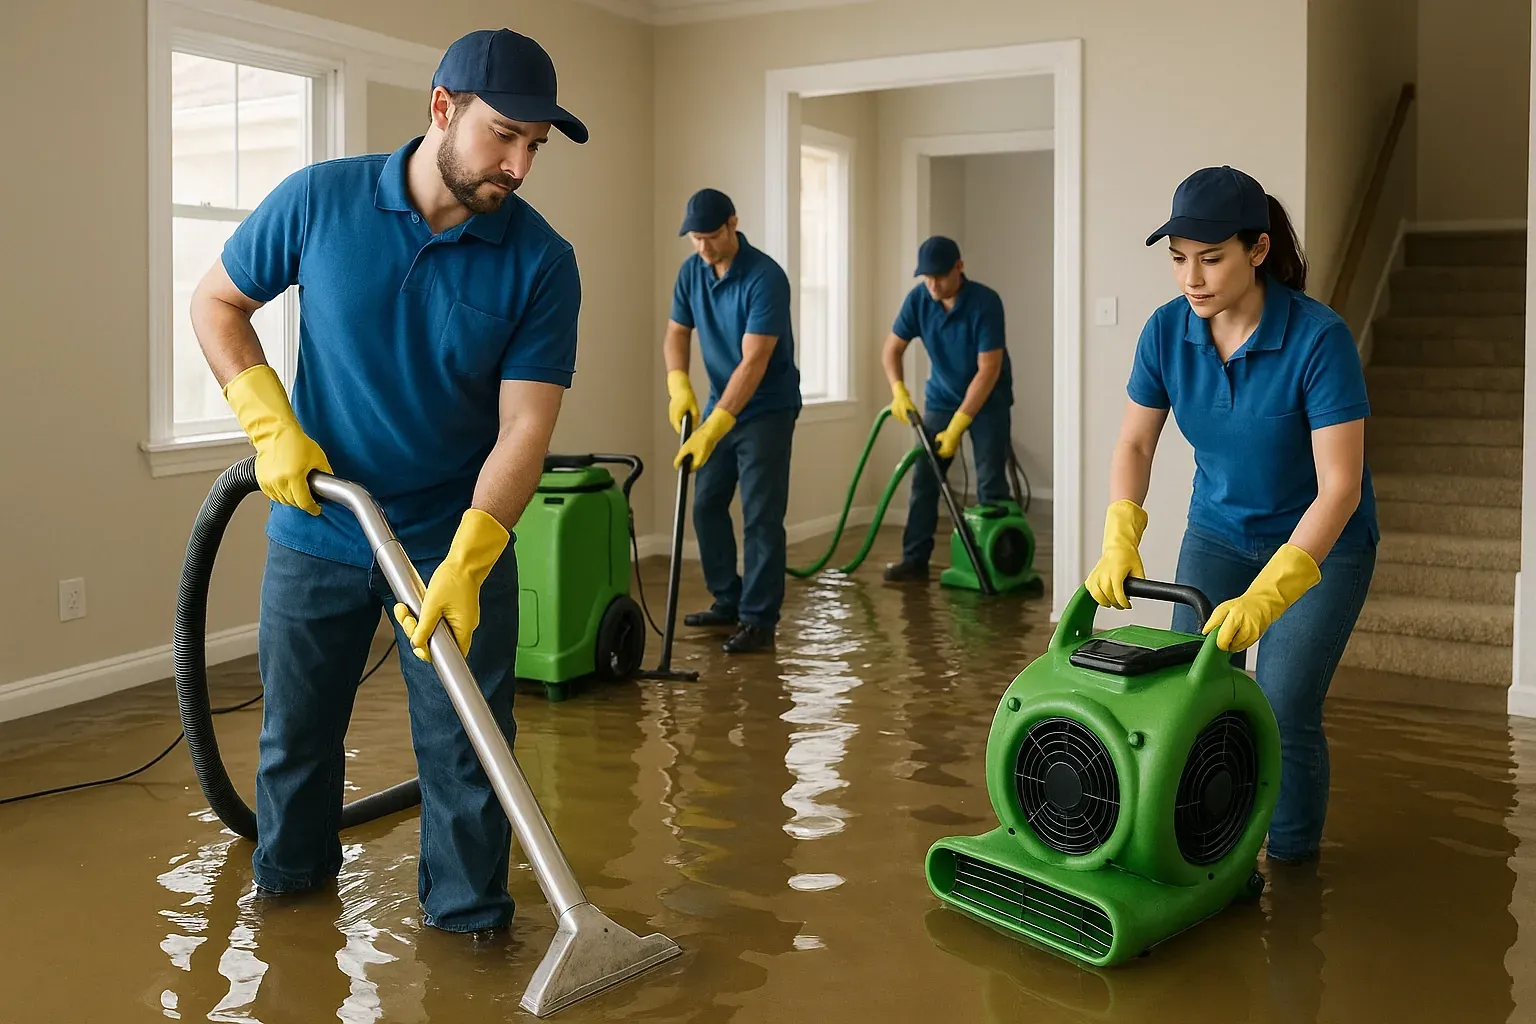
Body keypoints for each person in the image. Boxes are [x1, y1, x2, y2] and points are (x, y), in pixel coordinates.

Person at [188, 27, 588, 937]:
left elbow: (527, 424)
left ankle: (471, 928)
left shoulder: (541, 260)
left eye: (536, 145)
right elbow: (217, 300)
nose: (520, 165)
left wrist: (477, 549)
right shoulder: (320, 201)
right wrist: (269, 421)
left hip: (452, 537)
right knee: (295, 741)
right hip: (320, 529)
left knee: (470, 752)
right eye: (505, 135)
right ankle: (287, 906)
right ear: (443, 108)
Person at [1086, 165, 1378, 866]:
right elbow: (1134, 439)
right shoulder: (1166, 332)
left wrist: (1271, 592)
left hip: (1321, 548)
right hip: (1218, 534)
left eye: (1211, 257)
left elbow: (1339, 487)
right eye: (1179, 258)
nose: (1193, 277)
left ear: (1257, 249)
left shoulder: (1318, 339)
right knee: (1193, 702)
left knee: (1281, 710)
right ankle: (1206, 848)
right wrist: (1121, 530)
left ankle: (1290, 860)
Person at [663, 188, 801, 653]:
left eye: (710, 237)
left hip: (767, 409)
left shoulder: (765, 277)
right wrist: (678, 383)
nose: (702, 248)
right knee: (706, 504)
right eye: (695, 239)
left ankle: (759, 619)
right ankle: (729, 598)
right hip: (721, 401)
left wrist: (716, 424)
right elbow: (677, 333)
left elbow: (754, 361)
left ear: (733, 224)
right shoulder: (692, 272)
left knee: (761, 516)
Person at [880, 236, 1014, 581]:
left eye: (939, 276)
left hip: (988, 401)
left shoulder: (985, 302)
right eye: (926, 278)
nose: (933, 285)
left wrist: (958, 426)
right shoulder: (920, 299)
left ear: (959, 267)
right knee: (925, 477)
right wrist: (898, 390)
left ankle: (997, 565)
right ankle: (915, 559)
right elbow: (891, 349)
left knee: (990, 483)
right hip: (941, 398)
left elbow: (989, 370)